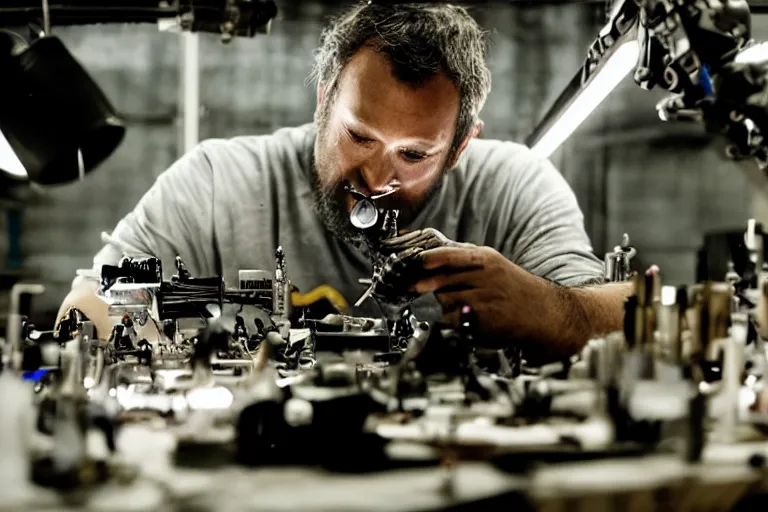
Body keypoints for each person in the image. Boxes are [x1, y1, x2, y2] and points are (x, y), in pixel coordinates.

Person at [58, 1, 631, 361]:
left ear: (459, 145)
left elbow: (628, 313)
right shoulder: (217, 183)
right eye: (359, 137)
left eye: (415, 154)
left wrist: (547, 308)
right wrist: (179, 359)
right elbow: (86, 307)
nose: (378, 178)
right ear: (322, 104)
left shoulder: (514, 187)